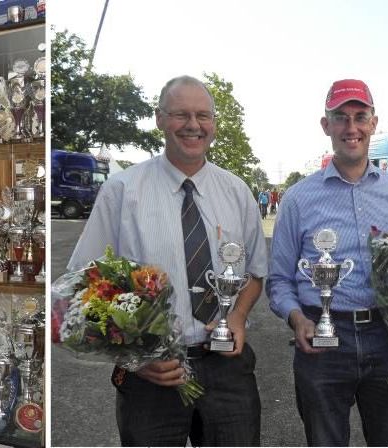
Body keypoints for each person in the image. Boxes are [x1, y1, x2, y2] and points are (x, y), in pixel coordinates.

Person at [67, 75, 268, 447]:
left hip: (228, 367)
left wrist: (237, 317)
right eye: (181, 114)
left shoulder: (237, 192)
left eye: (203, 115)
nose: (193, 125)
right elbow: (83, 284)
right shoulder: (122, 191)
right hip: (151, 375)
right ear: (159, 119)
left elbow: (256, 273)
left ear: (214, 124)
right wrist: (134, 358)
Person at [267, 79, 388, 446]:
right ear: (326, 125)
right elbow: (279, 279)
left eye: (360, 116)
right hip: (322, 342)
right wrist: (297, 318)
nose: (351, 127)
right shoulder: (297, 199)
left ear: (374, 123)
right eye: (340, 117)